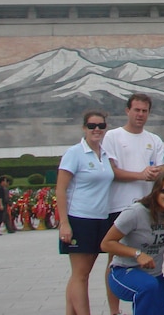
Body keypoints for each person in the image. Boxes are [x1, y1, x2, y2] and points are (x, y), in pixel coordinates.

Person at [103, 92, 164, 315]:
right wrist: (141, 175)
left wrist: (155, 173)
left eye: (144, 111)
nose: (140, 114)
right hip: (120, 204)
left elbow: (162, 170)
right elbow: (112, 171)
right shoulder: (113, 136)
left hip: (148, 209)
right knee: (116, 257)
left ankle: (141, 302)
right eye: (137, 110)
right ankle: (114, 310)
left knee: (147, 255)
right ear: (127, 111)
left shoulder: (153, 139)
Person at [56, 110, 115, 315]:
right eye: (92, 126)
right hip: (79, 219)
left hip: (100, 218)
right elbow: (60, 189)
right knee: (80, 275)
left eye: (101, 126)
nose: (96, 129)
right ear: (84, 128)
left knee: (82, 274)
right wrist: (64, 223)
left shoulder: (105, 154)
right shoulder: (75, 153)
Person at [102, 171, 164, 315]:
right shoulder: (135, 212)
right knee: (147, 287)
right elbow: (106, 243)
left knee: (157, 301)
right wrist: (137, 254)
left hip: (154, 275)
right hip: (123, 271)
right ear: (156, 191)